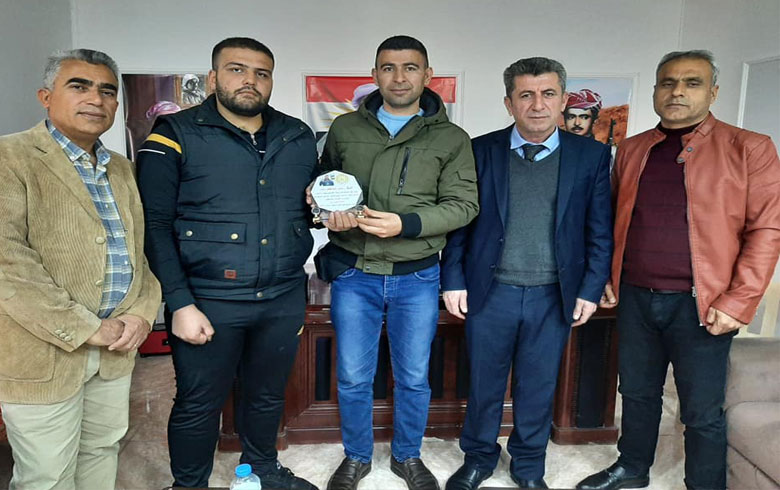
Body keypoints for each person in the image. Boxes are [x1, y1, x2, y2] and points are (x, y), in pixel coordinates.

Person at [576, 50, 780, 490]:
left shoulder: (749, 147)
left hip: (703, 303)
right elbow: (612, 220)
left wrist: (739, 301)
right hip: (635, 296)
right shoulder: (632, 149)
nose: (677, 92)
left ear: (713, 92)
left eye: (692, 82)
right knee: (636, 392)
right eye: (668, 83)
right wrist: (607, 276)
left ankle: (703, 484)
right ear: (655, 90)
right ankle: (632, 468)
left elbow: (767, 229)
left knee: (701, 409)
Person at [136, 37, 318, 489]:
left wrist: (328, 210)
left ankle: (262, 469)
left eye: (261, 73)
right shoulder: (173, 134)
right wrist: (179, 302)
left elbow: (309, 206)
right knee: (199, 402)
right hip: (207, 298)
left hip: (281, 296)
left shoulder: (297, 135)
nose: (249, 80)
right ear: (214, 77)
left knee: (267, 395)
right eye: (237, 69)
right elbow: (154, 226)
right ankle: (190, 484)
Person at [314, 35, 479, 490]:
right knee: (352, 376)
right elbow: (324, 184)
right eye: (388, 68)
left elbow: (464, 205)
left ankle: (407, 456)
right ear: (375, 75)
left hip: (417, 277)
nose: (399, 77)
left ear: (428, 75)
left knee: (413, 377)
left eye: (410, 67)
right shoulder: (345, 129)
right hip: (354, 273)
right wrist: (326, 209)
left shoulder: (451, 138)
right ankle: (356, 457)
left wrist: (406, 224)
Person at [440, 57, 613, 490]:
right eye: (526, 95)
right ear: (509, 103)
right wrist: (452, 278)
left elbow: (599, 229)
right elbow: (460, 221)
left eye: (548, 94)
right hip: (489, 290)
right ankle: (479, 458)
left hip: (553, 293)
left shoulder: (591, 156)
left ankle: (529, 465)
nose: (538, 105)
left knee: (538, 386)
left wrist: (591, 288)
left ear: (564, 100)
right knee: (484, 383)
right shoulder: (479, 150)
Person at [0, 49, 161, 490]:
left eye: (107, 91)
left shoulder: (123, 169)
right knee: (47, 475)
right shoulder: (10, 157)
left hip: (115, 350)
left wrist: (142, 314)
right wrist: (88, 328)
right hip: (44, 351)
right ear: (46, 96)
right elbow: (8, 264)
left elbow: (140, 255)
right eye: (79, 86)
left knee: (101, 452)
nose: (96, 99)